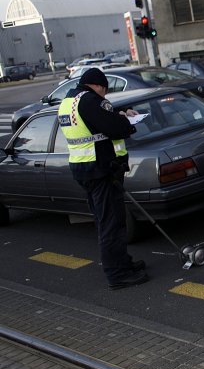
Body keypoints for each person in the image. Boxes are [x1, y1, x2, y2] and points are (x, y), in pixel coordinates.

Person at [57, 68, 148, 289]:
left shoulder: (68, 102)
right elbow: (114, 128)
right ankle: (117, 275)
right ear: (98, 85)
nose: (104, 96)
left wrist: (120, 113)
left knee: (107, 220)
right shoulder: (90, 100)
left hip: (84, 169)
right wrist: (128, 123)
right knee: (111, 224)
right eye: (104, 90)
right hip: (100, 170)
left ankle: (123, 263)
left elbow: (96, 123)